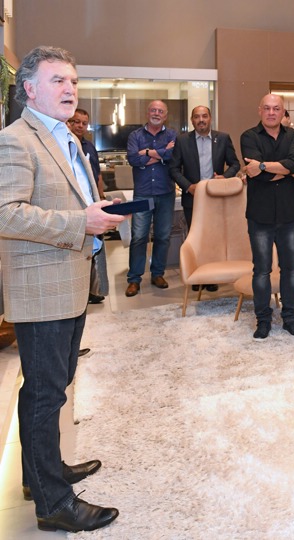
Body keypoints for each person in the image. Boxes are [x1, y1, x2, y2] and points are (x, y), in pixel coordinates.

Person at [0, 45, 124, 533]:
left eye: (73, 80)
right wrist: (81, 222)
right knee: (45, 392)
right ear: (29, 89)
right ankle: (53, 504)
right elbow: (6, 214)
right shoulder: (16, 140)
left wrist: (97, 212)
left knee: (53, 387)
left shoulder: (64, 135)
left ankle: (41, 474)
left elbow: (73, 200)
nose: (70, 88)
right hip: (42, 286)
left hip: (69, 280)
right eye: (58, 81)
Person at [241, 93, 294, 339]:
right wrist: (286, 170)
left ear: (282, 111)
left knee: (290, 270)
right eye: (267, 108)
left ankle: (290, 318)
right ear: (260, 110)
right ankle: (263, 320)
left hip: (289, 214)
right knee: (261, 271)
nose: (271, 112)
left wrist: (263, 165)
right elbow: (256, 173)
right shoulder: (248, 136)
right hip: (260, 215)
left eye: (276, 108)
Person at [169, 105, 240, 292]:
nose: (201, 120)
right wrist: (188, 187)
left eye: (204, 116)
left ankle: (211, 276)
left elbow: (235, 164)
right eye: (197, 117)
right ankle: (195, 275)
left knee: (214, 238)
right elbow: (173, 169)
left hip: (216, 198)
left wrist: (224, 177)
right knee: (195, 237)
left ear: (210, 118)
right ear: (192, 120)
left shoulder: (222, 138)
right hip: (193, 198)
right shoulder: (182, 141)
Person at [124, 100, 177, 297]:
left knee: (163, 236)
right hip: (142, 193)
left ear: (165, 115)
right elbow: (133, 159)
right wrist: (161, 155)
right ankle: (134, 279)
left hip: (166, 192)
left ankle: (157, 274)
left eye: (160, 111)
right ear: (147, 113)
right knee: (139, 236)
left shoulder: (172, 135)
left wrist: (146, 152)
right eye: (153, 110)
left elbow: (172, 155)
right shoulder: (135, 135)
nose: (156, 113)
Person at [68, 108, 108, 305]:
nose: (80, 126)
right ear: (68, 122)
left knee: (93, 250)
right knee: (76, 249)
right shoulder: (61, 145)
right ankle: (77, 292)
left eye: (84, 123)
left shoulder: (89, 147)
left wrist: (101, 197)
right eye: (76, 121)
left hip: (91, 203)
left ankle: (93, 290)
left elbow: (97, 176)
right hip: (72, 206)